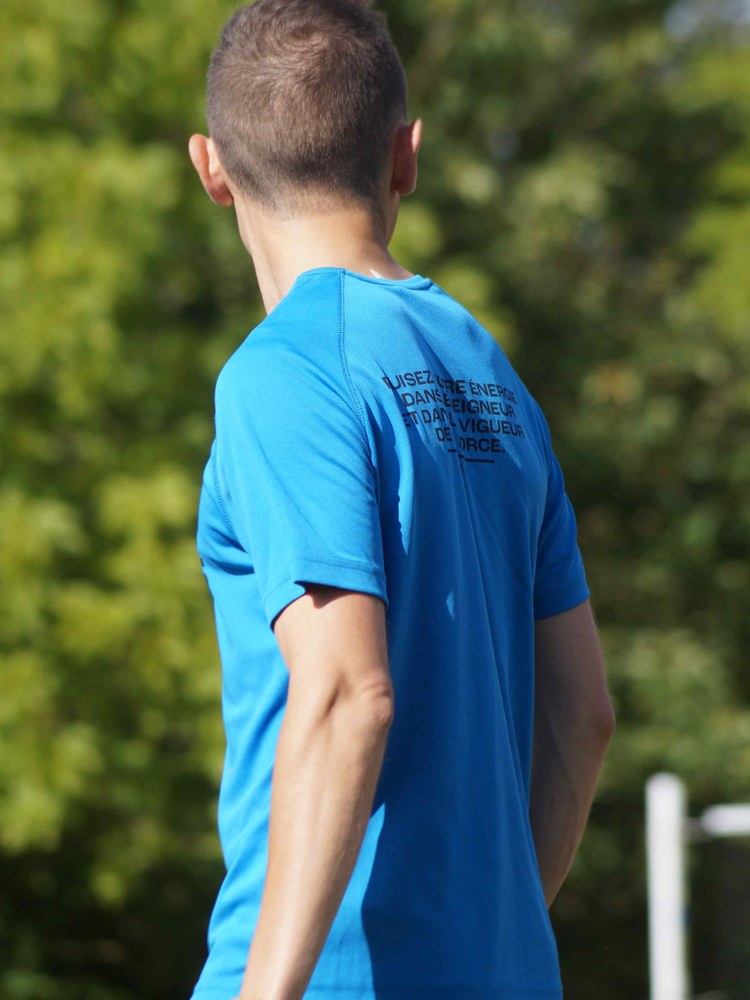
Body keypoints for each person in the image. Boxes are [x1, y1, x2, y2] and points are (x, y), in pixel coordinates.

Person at [187, 1, 615, 998]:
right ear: (405, 156)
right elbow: (583, 713)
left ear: (212, 169)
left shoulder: (284, 371)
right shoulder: (493, 376)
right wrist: (489, 945)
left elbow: (347, 694)